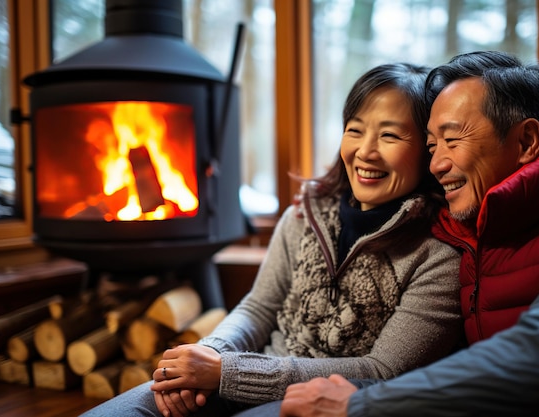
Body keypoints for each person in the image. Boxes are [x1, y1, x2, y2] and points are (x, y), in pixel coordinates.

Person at [80, 62, 463, 417]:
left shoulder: (439, 253)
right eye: (355, 129)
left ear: (427, 150)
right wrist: (203, 359)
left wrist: (227, 372)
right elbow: (258, 307)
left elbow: (383, 370)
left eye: (390, 135)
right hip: (238, 375)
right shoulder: (305, 213)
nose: (365, 151)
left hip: (323, 401)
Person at [276, 50, 539, 417]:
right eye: (431, 145)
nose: (437, 164)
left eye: (452, 141)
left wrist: (361, 404)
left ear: (525, 142)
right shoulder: (464, 227)